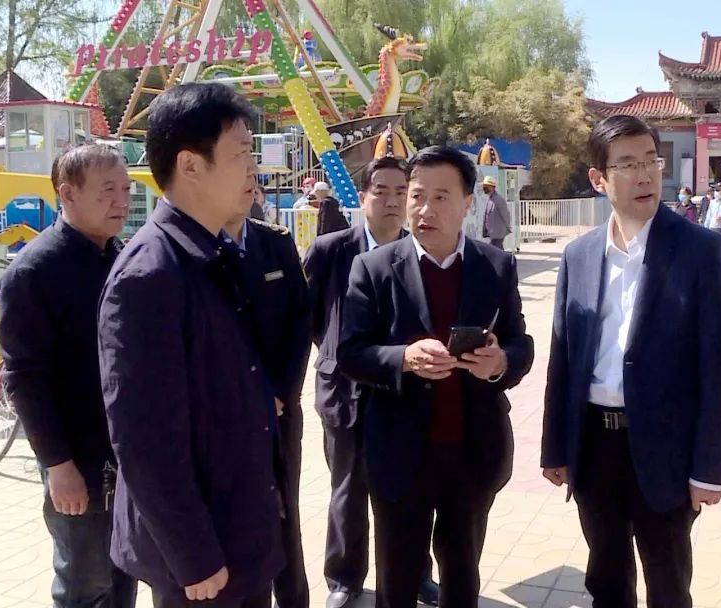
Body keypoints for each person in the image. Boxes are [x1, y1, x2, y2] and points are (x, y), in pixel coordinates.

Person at [541, 115, 721, 608]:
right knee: (606, 580)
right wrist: (555, 447)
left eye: (652, 161)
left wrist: (709, 469)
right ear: (599, 179)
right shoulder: (579, 254)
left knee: (668, 582)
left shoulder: (701, 250)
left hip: (666, 451)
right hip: (594, 447)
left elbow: (720, 369)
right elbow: (563, 359)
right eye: (627, 165)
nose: (645, 174)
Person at [98, 82, 282, 607]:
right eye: (240, 153)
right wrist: (193, 554)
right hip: (202, 558)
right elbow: (143, 438)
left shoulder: (212, 252)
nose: (253, 168)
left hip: (239, 525)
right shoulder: (149, 275)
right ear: (191, 165)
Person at [338, 146, 534, 608]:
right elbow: (350, 353)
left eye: (441, 197)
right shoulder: (374, 267)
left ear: (468, 203)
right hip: (400, 450)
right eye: (417, 196)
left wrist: (499, 363)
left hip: (471, 450)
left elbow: (519, 342)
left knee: (462, 570)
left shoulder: (495, 265)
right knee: (397, 574)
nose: (425, 209)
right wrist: (403, 358)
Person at [0, 144, 137, 608]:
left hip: (126, 456)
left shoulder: (121, 257)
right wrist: (58, 465)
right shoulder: (34, 272)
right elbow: (25, 378)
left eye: (125, 190)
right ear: (67, 193)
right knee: (84, 584)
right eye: (107, 190)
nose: (121, 201)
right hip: (78, 461)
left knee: (123, 576)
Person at [303, 156, 440, 608]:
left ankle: (416, 574)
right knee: (347, 487)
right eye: (381, 191)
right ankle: (344, 577)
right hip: (344, 390)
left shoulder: (420, 249)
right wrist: (335, 354)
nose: (392, 201)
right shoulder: (330, 250)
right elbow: (309, 317)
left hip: (402, 388)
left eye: (402, 192)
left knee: (411, 487)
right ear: (362, 197)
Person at [221, 194, 312, 607]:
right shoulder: (199, 248)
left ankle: (293, 598)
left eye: (252, 177)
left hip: (280, 410)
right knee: (244, 513)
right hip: (231, 415)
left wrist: (282, 392)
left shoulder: (275, 241)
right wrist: (250, 398)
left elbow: (301, 320)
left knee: (285, 509)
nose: (246, 186)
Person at [481, 174, 512, 249]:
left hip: (498, 233)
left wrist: (507, 228)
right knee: (498, 252)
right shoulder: (489, 199)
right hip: (492, 233)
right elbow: (487, 216)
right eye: (484, 186)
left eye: (486, 186)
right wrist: (485, 230)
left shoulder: (499, 200)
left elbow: (506, 215)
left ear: (492, 187)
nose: (484, 188)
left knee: (494, 251)